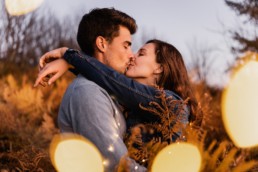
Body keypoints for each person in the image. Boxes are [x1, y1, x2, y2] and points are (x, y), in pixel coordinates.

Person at [35, 39, 201, 168]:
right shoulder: (135, 105)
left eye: (141, 53)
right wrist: (71, 64)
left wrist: (68, 54)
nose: (132, 56)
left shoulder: (172, 103)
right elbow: (109, 79)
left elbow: (113, 80)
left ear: (159, 68)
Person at [36, 7, 148, 172]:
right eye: (126, 46)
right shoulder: (87, 92)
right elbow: (118, 165)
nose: (131, 55)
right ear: (102, 44)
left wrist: (69, 61)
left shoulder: (104, 92)